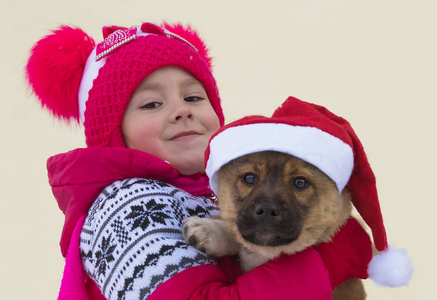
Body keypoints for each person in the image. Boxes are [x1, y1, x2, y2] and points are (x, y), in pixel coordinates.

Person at [25, 22, 368, 300]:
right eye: (151, 104)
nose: (181, 111)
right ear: (114, 133)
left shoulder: (211, 188)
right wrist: (326, 260)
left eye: (192, 96)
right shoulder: (126, 206)